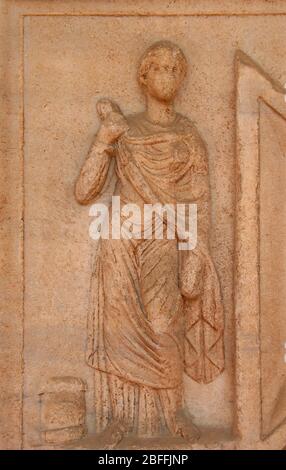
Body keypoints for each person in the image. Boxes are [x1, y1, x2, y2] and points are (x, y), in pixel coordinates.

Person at [75, 41, 224, 446]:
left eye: (175, 69)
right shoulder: (125, 130)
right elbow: (85, 191)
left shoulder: (187, 135)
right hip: (120, 236)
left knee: (164, 323)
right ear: (143, 76)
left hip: (163, 235)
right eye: (158, 68)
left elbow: (201, 200)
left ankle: (174, 412)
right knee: (120, 328)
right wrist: (104, 137)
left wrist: (195, 253)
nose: (168, 76)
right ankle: (119, 419)